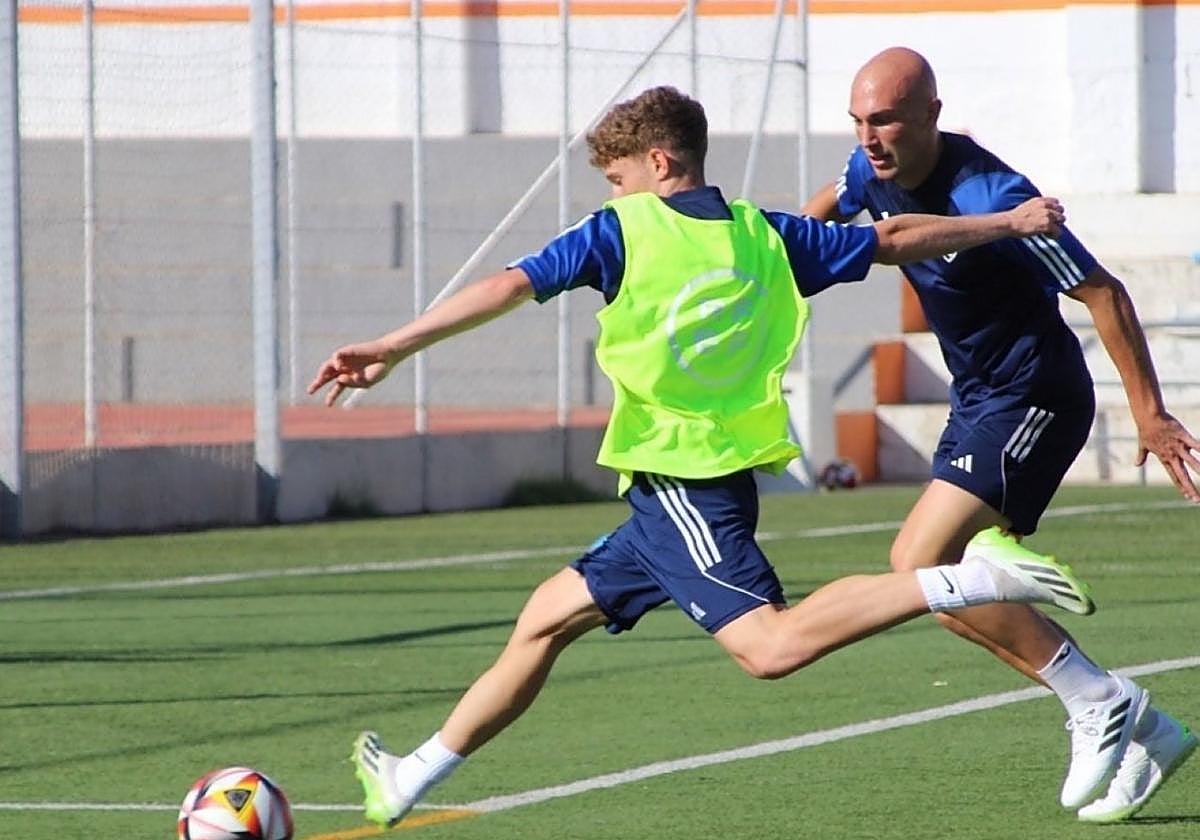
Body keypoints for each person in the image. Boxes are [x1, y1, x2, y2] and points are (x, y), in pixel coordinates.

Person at [309, 86, 1096, 829]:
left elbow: (508, 286)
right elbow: (891, 240)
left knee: (770, 647)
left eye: (618, 178)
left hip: (681, 482)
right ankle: (410, 775)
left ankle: (974, 580)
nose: (614, 193)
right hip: (695, 485)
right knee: (544, 621)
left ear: (658, 163)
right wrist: (1007, 222)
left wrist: (392, 346)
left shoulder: (621, 231)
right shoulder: (766, 234)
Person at [801, 47, 1198, 822]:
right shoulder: (869, 170)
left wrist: (1148, 412)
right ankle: (1140, 723)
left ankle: (1097, 701)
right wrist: (784, 251)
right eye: (858, 121)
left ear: (931, 116)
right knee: (941, 591)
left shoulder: (995, 194)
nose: (869, 138)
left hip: (1036, 396)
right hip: (977, 398)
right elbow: (832, 200)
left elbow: (1104, 293)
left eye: (884, 121)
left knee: (917, 564)